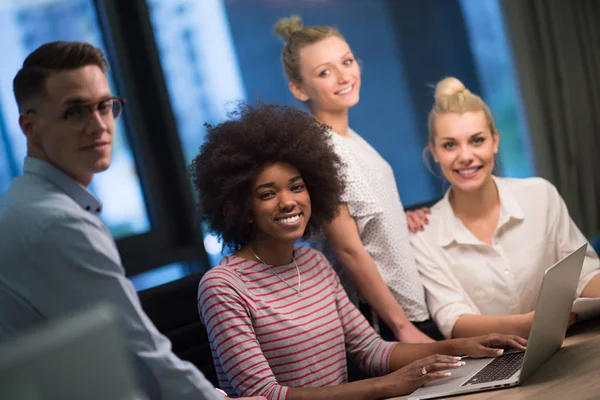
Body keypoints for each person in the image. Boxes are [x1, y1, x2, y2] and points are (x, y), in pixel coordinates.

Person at [193, 102, 527, 400]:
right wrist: (388, 386)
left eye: (297, 187)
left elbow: (370, 350)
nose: (288, 201)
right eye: (267, 194)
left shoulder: (313, 262)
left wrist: (461, 347)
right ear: (240, 206)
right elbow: (265, 396)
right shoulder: (223, 288)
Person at [0, 41, 263, 400]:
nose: (98, 125)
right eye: (75, 111)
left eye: (105, 106)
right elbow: (139, 353)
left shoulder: (24, 203)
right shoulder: (57, 223)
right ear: (28, 126)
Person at [272, 16, 439, 343]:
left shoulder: (350, 139)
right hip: (382, 321)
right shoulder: (321, 151)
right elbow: (348, 251)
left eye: (346, 62)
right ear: (298, 88)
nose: (343, 75)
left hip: (406, 308)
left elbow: (364, 220)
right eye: (324, 71)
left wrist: (398, 219)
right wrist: (402, 328)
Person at [409, 76, 600, 339]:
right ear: (434, 152)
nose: (465, 156)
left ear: (495, 141)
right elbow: (453, 320)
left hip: (568, 344)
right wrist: (526, 324)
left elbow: (583, 274)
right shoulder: (423, 235)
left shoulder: (540, 195)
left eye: (477, 140)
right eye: (450, 145)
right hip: (491, 365)